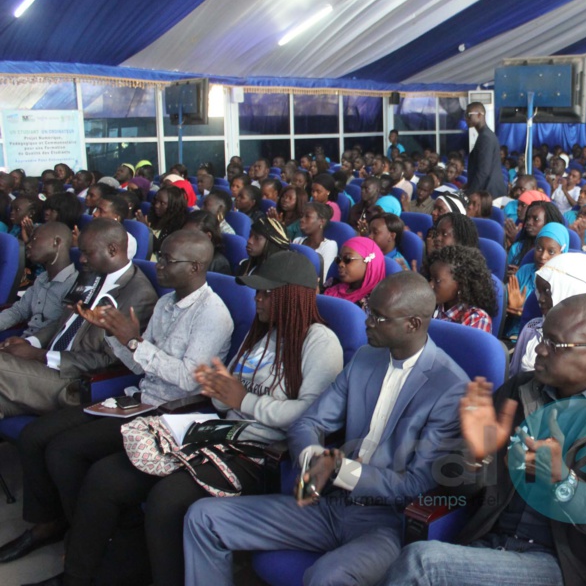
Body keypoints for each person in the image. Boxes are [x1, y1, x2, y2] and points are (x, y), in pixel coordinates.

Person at [52, 251, 342, 586]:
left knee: (166, 500)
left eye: (266, 293)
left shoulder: (320, 342)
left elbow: (310, 416)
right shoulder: (262, 334)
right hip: (218, 432)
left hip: (261, 453)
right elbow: (227, 401)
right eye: (257, 292)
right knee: (106, 477)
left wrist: (242, 399)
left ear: (291, 296)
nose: (257, 299)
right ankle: (79, 576)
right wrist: (217, 389)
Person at [183, 272, 469, 586]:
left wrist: (339, 470)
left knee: (325, 577)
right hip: (329, 505)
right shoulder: (365, 358)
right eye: (366, 310)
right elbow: (309, 422)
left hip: (386, 523)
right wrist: (313, 460)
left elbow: (414, 484)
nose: (367, 321)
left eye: (378, 317)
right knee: (204, 518)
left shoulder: (450, 388)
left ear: (412, 324)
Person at [382, 293, 586, 586]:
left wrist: (564, 482)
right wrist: (476, 456)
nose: (539, 350)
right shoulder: (520, 389)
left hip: (559, 565)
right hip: (488, 544)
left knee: (421, 564)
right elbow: (458, 488)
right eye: (542, 337)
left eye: (554, 344)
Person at [0, 230, 233, 571]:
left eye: (168, 260)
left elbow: (187, 379)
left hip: (167, 411)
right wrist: (114, 335)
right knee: (40, 435)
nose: (159, 266)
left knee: (65, 450)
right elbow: (138, 364)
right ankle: (67, 525)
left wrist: (135, 341)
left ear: (196, 266)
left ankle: (89, 537)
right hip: (138, 396)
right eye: (160, 257)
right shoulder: (167, 303)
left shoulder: (213, 314)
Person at [0, 219, 157, 418]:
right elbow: (62, 322)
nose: (81, 259)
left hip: (71, 380)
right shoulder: (91, 275)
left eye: (87, 252)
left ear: (112, 250)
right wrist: (30, 341)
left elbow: (109, 359)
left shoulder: (138, 294)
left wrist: (38, 354)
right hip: (44, 365)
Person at [508, 252, 586, 377]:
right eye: (539, 291)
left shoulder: (585, 343)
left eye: (548, 291)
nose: (541, 299)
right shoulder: (532, 329)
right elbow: (513, 376)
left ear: (568, 292)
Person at [0, 223, 77, 338]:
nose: (29, 245)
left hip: (41, 351)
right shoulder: (42, 278)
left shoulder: (73, 285)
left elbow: (59, 330)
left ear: (56, 242)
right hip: (23, 341)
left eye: (35, 239)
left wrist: (29, 344)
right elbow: (18, 311)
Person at [425, 245, 497, 333]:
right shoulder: (431, 307)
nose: (430, 285)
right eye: (431, 279)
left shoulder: (477, 319)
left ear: (460, 283)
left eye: (437, 280)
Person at [322, 236, 386, 309]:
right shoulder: (333, 285)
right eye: (339, 259)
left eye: (347, 259)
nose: (340, 264)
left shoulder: (374, 302)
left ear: (369, 263)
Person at [465, 102, 507, 198]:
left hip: (490, 192)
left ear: (479, 115)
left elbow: (483, 172)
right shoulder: (485, 135)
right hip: (487, 191)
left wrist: (469, 193)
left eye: (468, 115)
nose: (466, 118)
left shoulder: (486, 137)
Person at [293, 202, 337, 280]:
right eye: (302, 216)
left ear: (322, 222)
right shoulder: (297, 241)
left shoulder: (329, 246)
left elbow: (323, 279)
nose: (302, 220)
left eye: (307, 217)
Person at [182, 210, 232, 275]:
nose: (185, 238)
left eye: (191, 235)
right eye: (183, 233)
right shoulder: (178, 254)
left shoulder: (219, 264)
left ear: (208, 236)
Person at [93, 193, 140, 260]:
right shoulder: (90, 232)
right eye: (96, 209)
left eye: (101, 211)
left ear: (116, 217)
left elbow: (112, 266)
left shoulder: (127, 241)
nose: (95, 214)